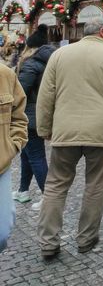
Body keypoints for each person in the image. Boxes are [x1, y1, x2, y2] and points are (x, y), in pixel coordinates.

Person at [36, 17, 103, 258]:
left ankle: (48, 242)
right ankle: (86, 238)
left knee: (55, 185)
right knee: (95, 185)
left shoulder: (60, 55)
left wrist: (44, 128)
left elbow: (46, 94)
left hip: (65, 128)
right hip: (100, 130)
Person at [13, 24, 56, 211]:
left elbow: (20, 92)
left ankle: (49, 199)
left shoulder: (30, 64)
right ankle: (23, 190)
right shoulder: (51, 61)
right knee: (27, 154)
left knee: (36, 156)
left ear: (29, 48)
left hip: (30, 116)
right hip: (44, 113)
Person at [0, 63, 28, 253]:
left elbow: (19, 117)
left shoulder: (5, 75)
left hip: (1, 165)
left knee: (2, 230)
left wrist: (13, 146)